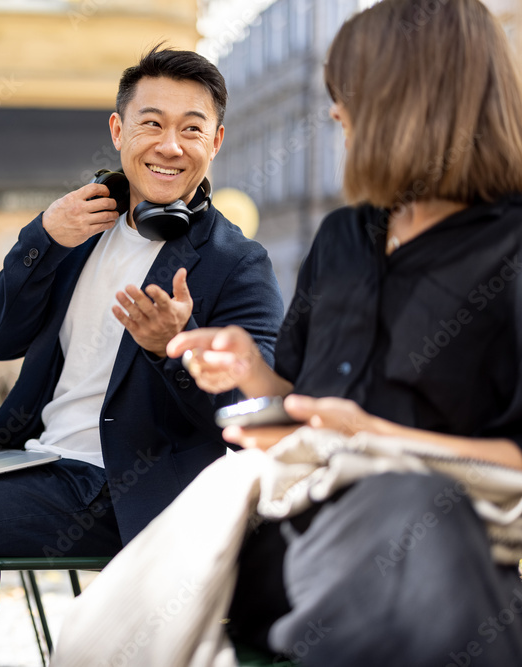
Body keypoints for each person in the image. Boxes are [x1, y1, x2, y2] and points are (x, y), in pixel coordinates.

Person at [0, 45, 283, 667]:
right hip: (38, 462)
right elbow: (0, 337)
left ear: (216, 142)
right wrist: (41, 238)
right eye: (152, 123)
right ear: (119, 131)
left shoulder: (237, 263)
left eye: (191, 129)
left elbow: (255, 412)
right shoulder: (77, 227)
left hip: (120, 486)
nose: (170, 144)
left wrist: (172, 347)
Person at [163, 1, 522, 663]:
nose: (334, 112)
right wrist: (251, 371)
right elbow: (300, 396)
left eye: (347, 94)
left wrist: (380, 439)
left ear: (410, 100)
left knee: (414, 509)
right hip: (295, 534)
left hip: (440, 537)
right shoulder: (342, 238)